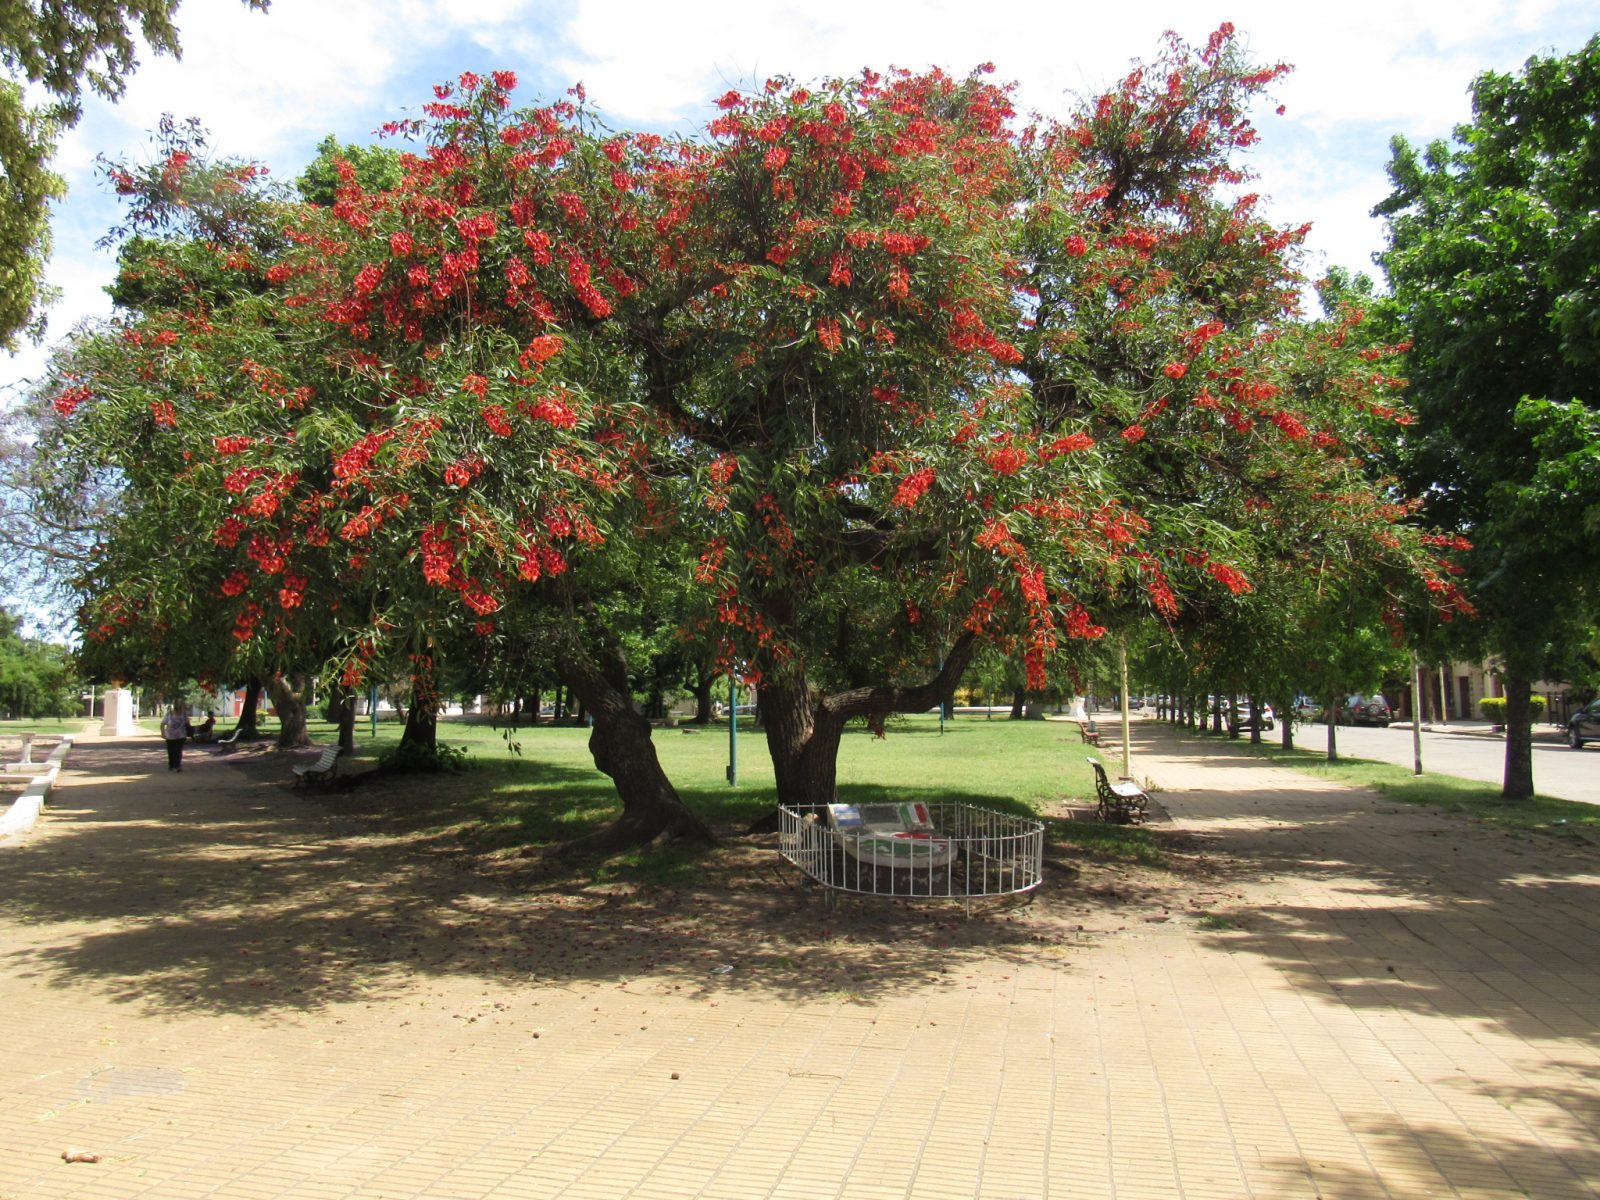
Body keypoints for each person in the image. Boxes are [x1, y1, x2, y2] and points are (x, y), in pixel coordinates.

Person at [160, 705, 189, 772]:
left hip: (181, 736)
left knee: (178, 751)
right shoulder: (169, 714)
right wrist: (163, 733)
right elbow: (162, 724)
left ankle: (177, 766)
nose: (179, 710)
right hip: (170, 736)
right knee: (171, 751)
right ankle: (171, 765)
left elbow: (187, 723)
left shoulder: (184, 714)